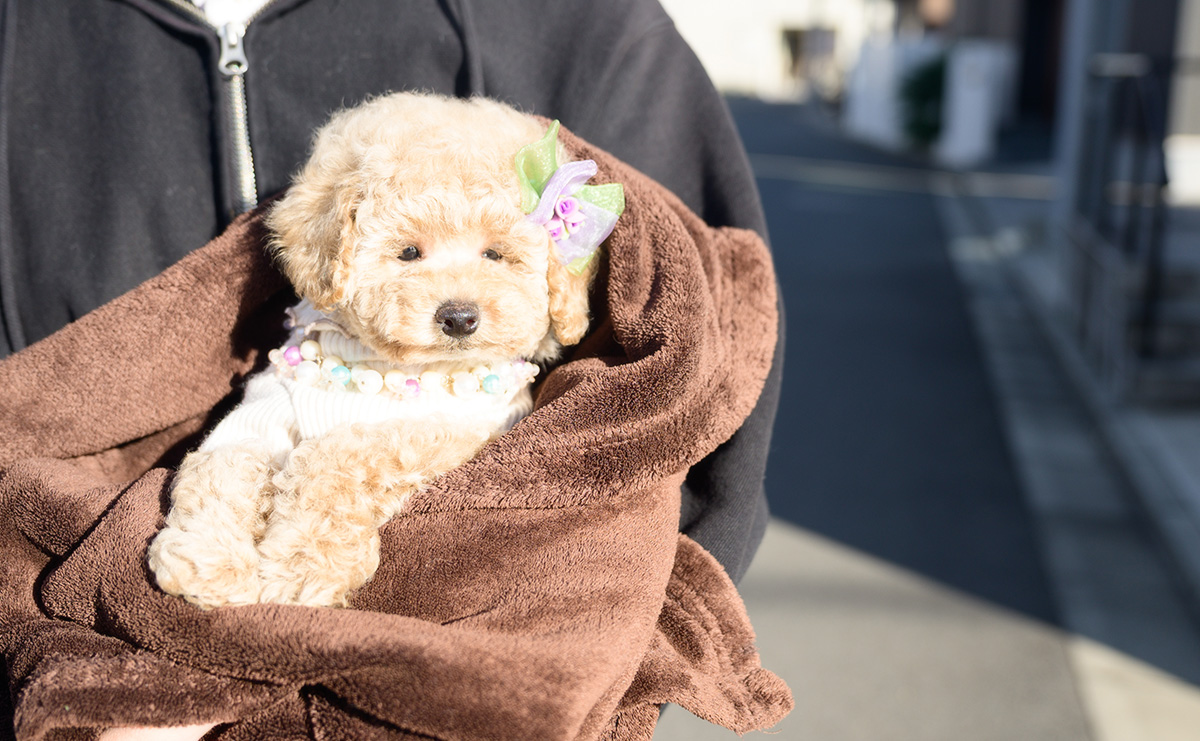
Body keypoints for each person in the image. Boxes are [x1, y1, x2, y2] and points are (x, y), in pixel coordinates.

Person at [0, 0, 781, 625]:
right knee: (225, 469)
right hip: (73, 636)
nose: (458, 296)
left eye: (495, 254)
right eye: (409, 252)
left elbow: (704, 369)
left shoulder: (585, 26)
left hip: (468, 662)